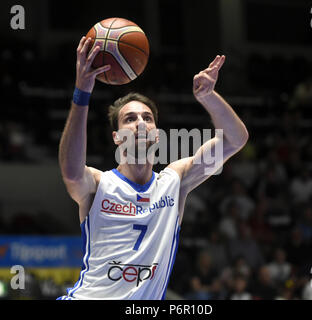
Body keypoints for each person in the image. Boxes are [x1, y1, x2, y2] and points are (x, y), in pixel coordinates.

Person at [56, 37, 249, 300]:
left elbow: (235, 140)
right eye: (130, 119)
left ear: (157, 134)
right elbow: (70, 171)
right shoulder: (99, 184)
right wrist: (82, 92)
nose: (141, 123)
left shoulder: (174, 180)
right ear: (116, 137)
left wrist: (208, 96)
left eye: (147, 118)